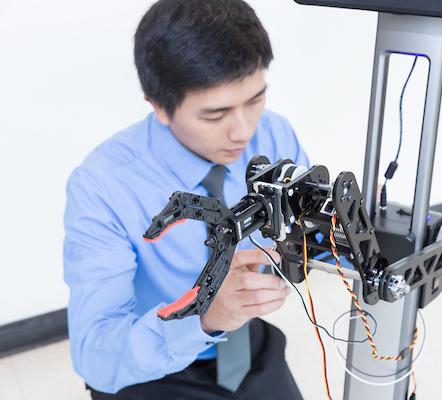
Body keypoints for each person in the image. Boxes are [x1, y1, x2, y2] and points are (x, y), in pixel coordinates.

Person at [63, 0, 309, 398]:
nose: (243, 132)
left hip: (245, 343)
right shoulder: (102, 186)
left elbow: (313, 233)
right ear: (158, 106)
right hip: (151, 363)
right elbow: (96, 355)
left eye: (255, 100)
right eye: (215, 115)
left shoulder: (275, 134)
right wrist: (204, 316)